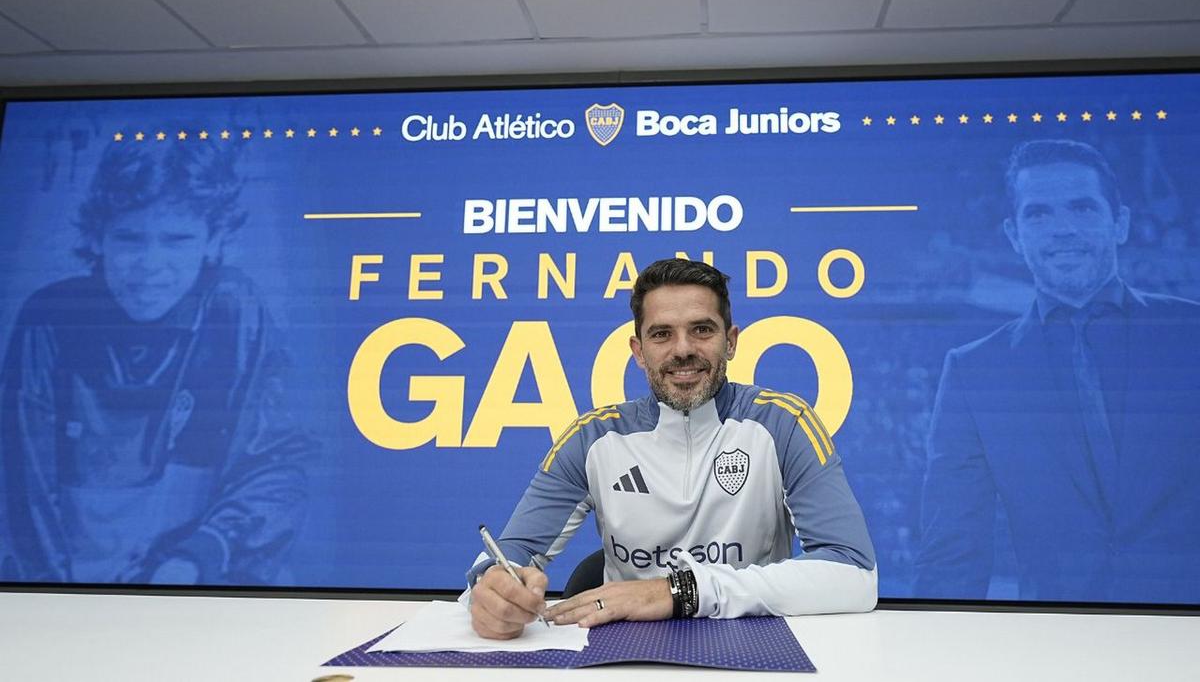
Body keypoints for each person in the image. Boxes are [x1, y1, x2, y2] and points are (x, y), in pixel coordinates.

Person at [466, 258, 877, 639]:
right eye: (662, 334)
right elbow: (511, 555)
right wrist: (491, 588)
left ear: (730, 342)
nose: (683, 349)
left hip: (755, 648)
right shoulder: (592, 439)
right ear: (638, 352)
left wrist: (681, 592)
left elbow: (855, 574)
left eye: (702, 329)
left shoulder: (783, 424)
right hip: (625, 654)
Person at [0, 139, 316, 585]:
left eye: (177, 240)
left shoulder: (235, 309)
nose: (150, 264)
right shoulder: (49, 316)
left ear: (213, 239)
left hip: (200, 590)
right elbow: (23, 496)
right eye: (129, 238)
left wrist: (194, 560)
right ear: (97, 237)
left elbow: (278, 466)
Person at [915, 139, 1200, 604]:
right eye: (1039, 214)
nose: (1062, 229)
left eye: (1083, 208)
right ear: (1014, 235)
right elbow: (953, 550)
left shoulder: (1193, 334)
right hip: (1053, 643)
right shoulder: (974, 370)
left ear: (1120, 223)